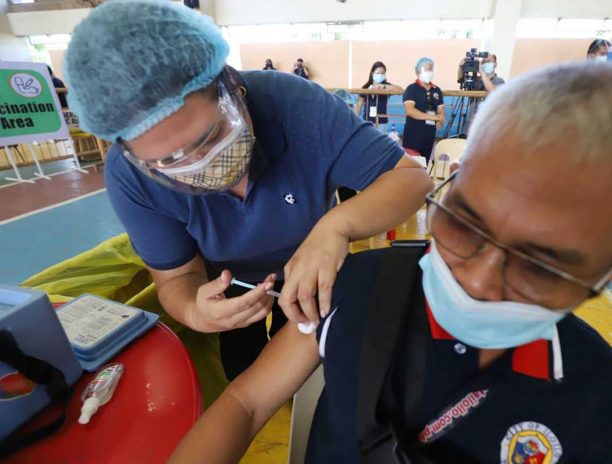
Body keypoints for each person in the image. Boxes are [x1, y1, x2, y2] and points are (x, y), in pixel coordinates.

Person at [169, 63, 612, 463]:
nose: (478, 279)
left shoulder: (601, 404)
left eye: (543, 266)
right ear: (451, 184)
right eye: (465, 223)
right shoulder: (358, 287)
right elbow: (246, 404)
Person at [63, 0, 432, 380]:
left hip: (313, 262)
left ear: (233, 88)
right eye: (171, 161)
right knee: (245, 365)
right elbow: (175, 278)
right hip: (227, 281)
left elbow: (411, 178)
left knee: (322, 361)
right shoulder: (130, 176)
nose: (204, 164)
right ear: (133, 155)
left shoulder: (297, 107)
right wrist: (195, 310)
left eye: (214, 136)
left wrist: (337, 226)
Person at [402, 57, 445, 163]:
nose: (429, 72)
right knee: (411, 165)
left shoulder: (437, 90)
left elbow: (441, 109)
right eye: (426, 69)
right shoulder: (411, 89)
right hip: (413, 135)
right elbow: (410, 111)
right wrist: (434, 117)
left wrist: (441, 118)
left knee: (424, 164)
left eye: (431, 69)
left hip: (429, 135)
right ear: (417, 72)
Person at [355, 61, 402, 133]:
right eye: (377, 73)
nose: (380, 75)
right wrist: (355, 121)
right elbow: (359, 105)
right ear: (372, 73)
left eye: (382, 73)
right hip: (367, 122)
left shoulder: (386, 87)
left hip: (382, 123)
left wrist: (384, 86)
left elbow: (400, 89)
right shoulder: (365, 87)